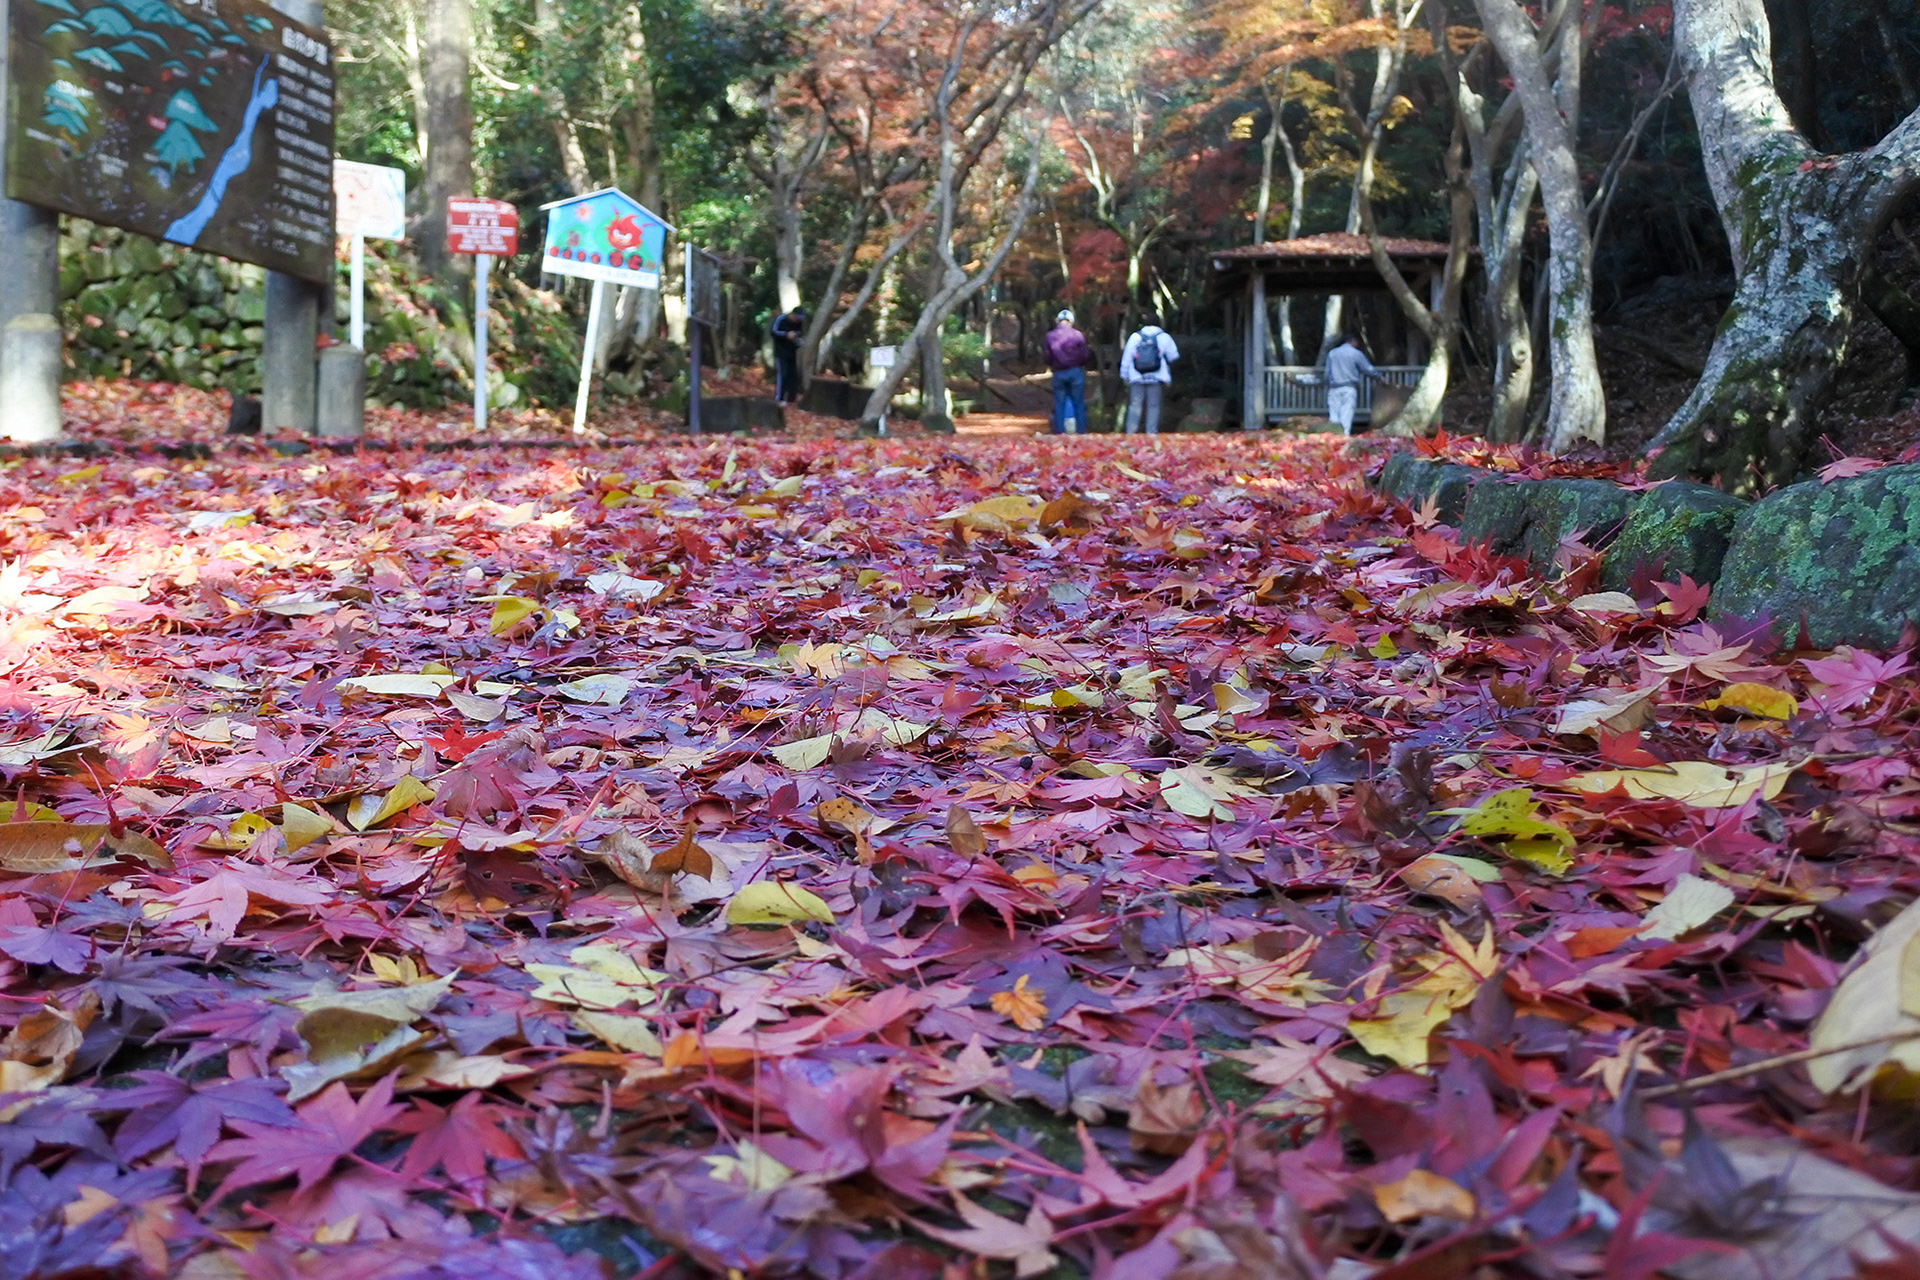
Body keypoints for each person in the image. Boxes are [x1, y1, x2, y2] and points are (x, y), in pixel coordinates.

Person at [1120, 313, 1179, 435]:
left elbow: (1126, 358)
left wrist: (1124, 375)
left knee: (1135, 405)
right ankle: (1151, 433)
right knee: (1153, 406)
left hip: (1136, 376)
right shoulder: (1164, 337)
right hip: (1156, 376)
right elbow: (1173, 355)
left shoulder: (1135, 337)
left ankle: (1131, 433)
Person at [1042, 308, 1092, 434]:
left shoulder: (1050, 336)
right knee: (1078, 403)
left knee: (1059, 403)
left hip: (1058, 372)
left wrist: (1053, 364)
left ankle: (1059, 432)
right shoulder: (1077, 335)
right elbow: (1085, 355)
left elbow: (1047, 357)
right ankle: (1081, 432)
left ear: (1058, 321)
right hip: (1075, 372)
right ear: (1071, 321)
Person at [1324, 332, 1383, 436]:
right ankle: (1344, 436)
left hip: (1334, 388)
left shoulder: (1332, 353)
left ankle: (1333, 436)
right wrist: (1378, 376)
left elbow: (1327, 373)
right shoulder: (1355, 353)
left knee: (1334, 414)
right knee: (1346, 414)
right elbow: (1367, 368)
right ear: (1352, 341)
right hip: (1348, 387)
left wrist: (1328, 382)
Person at [770, 306, 806, 403]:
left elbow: (800, 333)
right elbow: (774, 332)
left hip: (792, 352)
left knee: (793, 375)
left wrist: (796, 338)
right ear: (792, 315)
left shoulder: (798, 323)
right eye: (796, 317)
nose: (797, 320)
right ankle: (779, 398)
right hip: (781, 352)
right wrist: (786, 335)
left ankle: (791, 398)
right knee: (782, 374)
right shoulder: (781, 319)